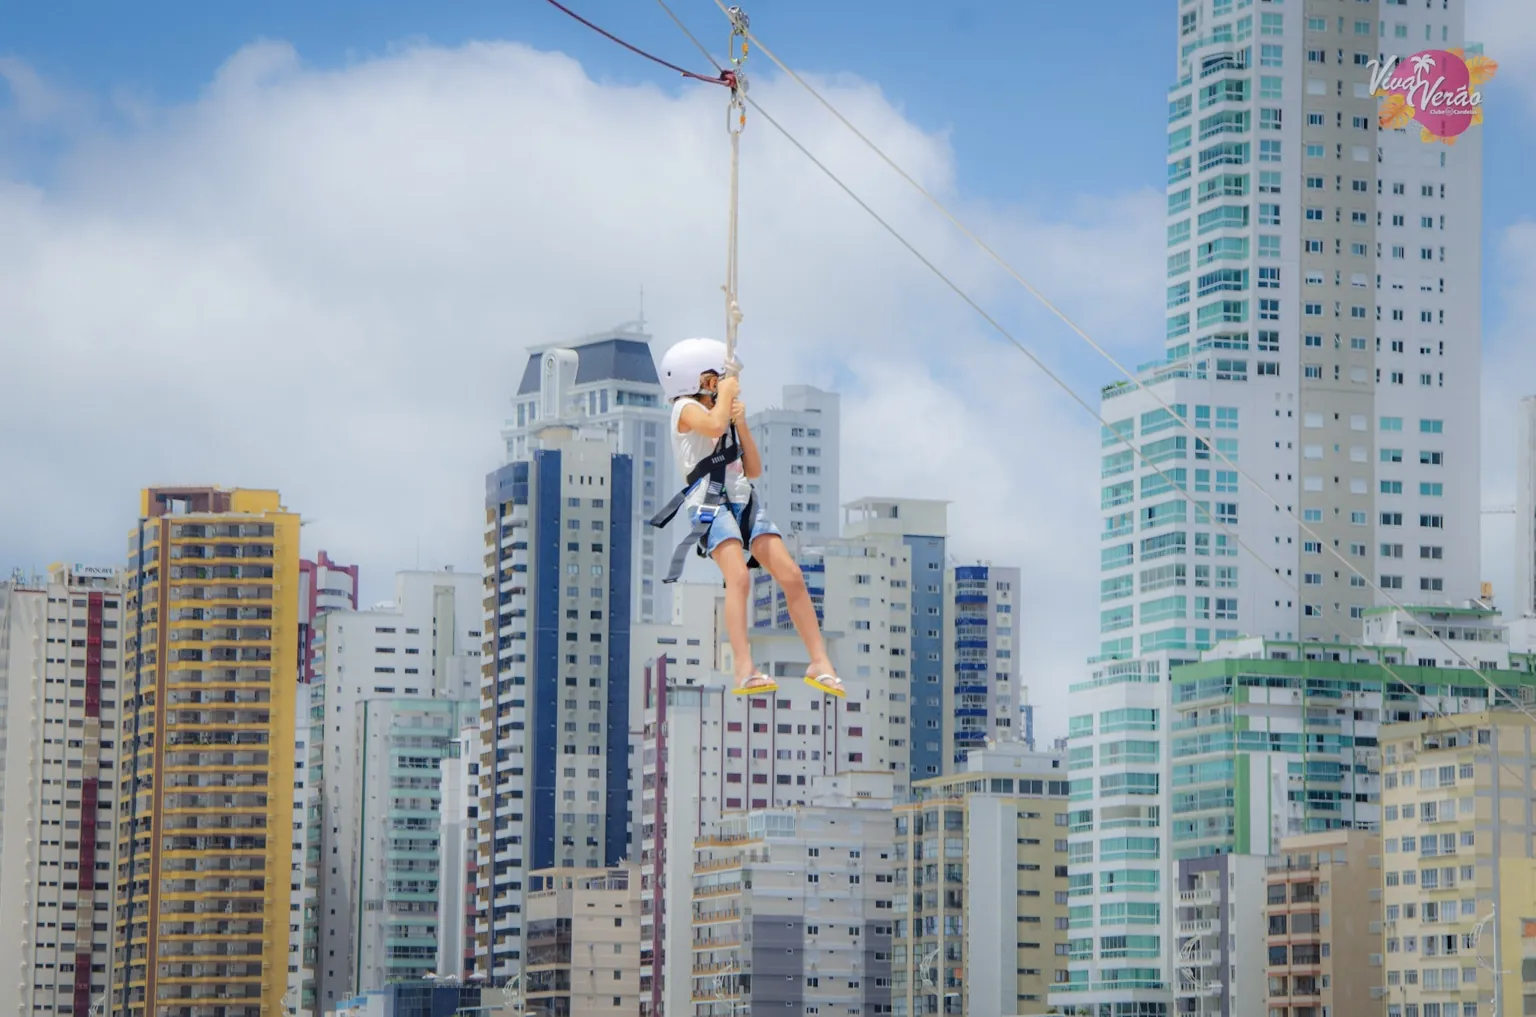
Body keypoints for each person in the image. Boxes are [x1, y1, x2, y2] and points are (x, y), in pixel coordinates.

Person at [652, 337, 844, 698]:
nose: (721, 383)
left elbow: (752, 468)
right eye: (716, 377)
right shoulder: (683, 409)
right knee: (738, 578)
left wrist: (741, 424)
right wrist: (726, 401)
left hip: (742, 499)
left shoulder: (722, 415)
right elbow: (710, 425)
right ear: (699, 380)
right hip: (708, 502)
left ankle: (819, 660)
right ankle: (744, 668)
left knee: (791, 575)